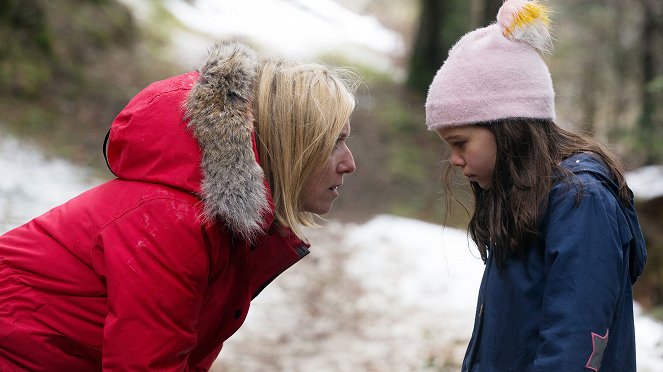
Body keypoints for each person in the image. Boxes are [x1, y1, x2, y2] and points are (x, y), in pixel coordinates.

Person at [0, 41, 357, 370]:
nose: (349, 163)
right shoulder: (173, 222)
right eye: (334, 143)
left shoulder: (214, 220)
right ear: (292, 146)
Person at [425, 0, 647, 371]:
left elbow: (573, 348)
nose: (454, 160)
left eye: (460, 142)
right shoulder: (525, 198)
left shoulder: (581, 202)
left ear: (507, 127)